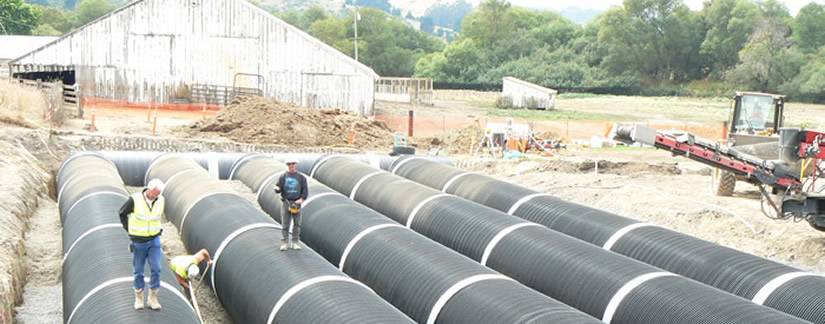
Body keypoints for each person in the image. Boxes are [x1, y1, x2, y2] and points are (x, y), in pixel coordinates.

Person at [119, 178, 165, 310]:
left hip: (154, 240)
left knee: (156, 269)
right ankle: (139, 297)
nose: (156, 196)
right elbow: (122, 213)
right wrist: (129, 230)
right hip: (139, 241)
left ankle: (153, 297)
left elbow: (157, 218)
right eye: (154, 193)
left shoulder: (161, 200)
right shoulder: (135, 200)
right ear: (148, 189)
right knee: (139, 271)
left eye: (158, 194)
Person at [273, 156, 308, 251]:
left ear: (296, 164)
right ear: (286, 165)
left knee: (297, 224)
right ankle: (285, 242)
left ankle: (295, 242)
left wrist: (301, 199)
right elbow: (278, 188)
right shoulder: (283, 177)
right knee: (285, 223)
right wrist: (276, 189)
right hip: (286, 202)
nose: (291, 165)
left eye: (293, 163)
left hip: (297, 203)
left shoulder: (301, 177)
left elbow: (305, 191)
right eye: (289, 164)